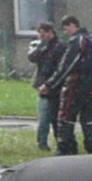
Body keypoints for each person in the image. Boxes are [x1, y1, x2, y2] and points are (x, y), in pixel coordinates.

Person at [51, 16, 92, 156]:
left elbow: (66, 65)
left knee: (66, 116)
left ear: (72, 25)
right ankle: (91, 146)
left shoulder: (77, 41)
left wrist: (50, 84)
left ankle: (65, 148)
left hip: (76, 84)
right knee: (89, 118)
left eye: (66, 29)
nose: (66, 33)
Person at [27, 22, 61, 152]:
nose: (41, 37)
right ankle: (42, 143)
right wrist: (41, 46)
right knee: (43, 118)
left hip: (55, 87)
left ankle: (60, 143)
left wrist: (51, 84)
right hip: (42, 86)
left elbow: (59, 68)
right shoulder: (41, 46)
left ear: (50, 32)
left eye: (43, 35)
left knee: (56, 118)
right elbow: (32, 57)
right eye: (40, 35)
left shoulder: (59, 47)